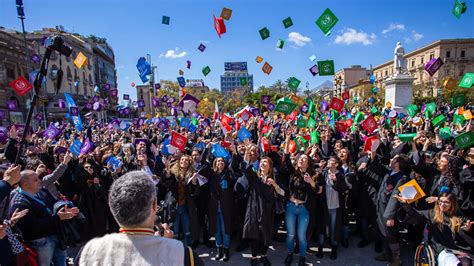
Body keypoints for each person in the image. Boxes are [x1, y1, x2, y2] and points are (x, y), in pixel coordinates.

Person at [75, 170, 203, 266]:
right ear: (154, 205)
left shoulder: (87, 254)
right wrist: (168, 247)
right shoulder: (184, 256)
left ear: (113, 208)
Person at [9, 170, 79, 266]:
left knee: (61, 262)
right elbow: (31, 227)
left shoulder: (41, 191)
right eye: (35, 180)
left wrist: (66, 209)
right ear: (25, 184)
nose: (40, 181)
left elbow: (54, 204)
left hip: (56, 235)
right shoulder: (19, 203)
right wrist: (57, 217)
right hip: (41, 242)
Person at [394, 192, 473, 266]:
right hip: (443, 249)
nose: (442, 204)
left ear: (452, 204)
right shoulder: (432, 214)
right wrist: (405, 204)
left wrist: (467, 229)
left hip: (459, 249)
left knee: (466, 263)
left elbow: (465, 232)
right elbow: (416, 214)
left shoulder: (459, 217)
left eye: (446, 202)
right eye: (440, 201)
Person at [283, 131, 317, 266]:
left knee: (301, 236)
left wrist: (311, 182)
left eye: (305, 159)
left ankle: (302, 258)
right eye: (300, 159)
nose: (301, 160)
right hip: (291, 206)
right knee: (290, 235)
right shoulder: (294, 173)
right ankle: (290, 253)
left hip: (304, 208)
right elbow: (286, 158)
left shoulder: (312, 176)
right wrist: (287, 140)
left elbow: (316, 191)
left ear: (308, 164)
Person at [243, 156, 284, 265]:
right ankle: (254, 257)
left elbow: (283, 194)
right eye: (261, 162)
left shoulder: (274, 178)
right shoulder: (254, 177)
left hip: (268, 211)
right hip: (254, 209)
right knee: (254, 234)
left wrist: (275, 185)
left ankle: (263, 255)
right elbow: (246, 168)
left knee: (266, 235)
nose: (263, 163)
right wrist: (247, 153)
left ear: (270, 166)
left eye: (266, 162)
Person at [208, 156, 235, 262]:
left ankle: (226, 250)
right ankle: (219, 250)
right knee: (217, 230)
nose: (220, 162)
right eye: (218, 161)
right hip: (214, 206)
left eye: (222, 161)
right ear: (215, 163)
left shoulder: (228, 173)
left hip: (226, 207)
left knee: (225, 230)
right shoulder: (212, 174)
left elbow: (234, 168)